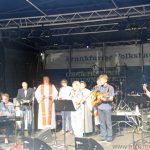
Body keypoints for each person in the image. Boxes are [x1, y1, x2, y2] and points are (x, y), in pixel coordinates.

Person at [92, 74, 114, 142]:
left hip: (107, 107)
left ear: (106, 80)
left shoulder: (110, 87)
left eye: (101, 80)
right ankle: (103, 136)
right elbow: (94, 95)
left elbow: (111, 98)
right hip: (100, 107)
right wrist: (94, 98)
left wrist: (104, 99)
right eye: (100, 80)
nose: (100, 81)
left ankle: (109, 136)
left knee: (108, 122)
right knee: (102, 122)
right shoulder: (98, 87)